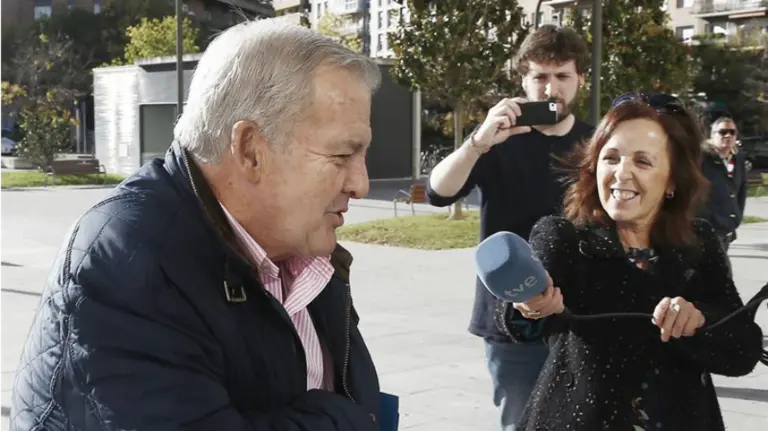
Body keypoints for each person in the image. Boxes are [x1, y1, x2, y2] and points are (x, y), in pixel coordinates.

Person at [10, 20, 384, 430]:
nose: (361, 184)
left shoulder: (301, 247)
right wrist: (347, 421)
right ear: (250, 150)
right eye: (341, 156)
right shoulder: (132, 262)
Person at [512, 93, 764, 430]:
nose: (622, 173)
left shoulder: (699, 242)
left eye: (643, 162)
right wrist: (528, 303)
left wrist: (699, 320)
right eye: (611, 158)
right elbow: (516, 317)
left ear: (672, 180)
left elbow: (743, 351)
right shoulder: (563, 237)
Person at [425, 25, 593, 430]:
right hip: (509, 316)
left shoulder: (597, 145)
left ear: (580, 80)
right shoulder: (497, 140)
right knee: (520, 422)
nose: (550, 88)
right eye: (540, 76)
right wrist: (478, 142)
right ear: (522, 81)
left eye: (562, 76)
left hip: (583, 313)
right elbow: (438, 192)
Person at [699, 117, 747, 267]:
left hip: (727, 228)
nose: (728, 135)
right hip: (708, 229)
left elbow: (741, 191)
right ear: (712, 135)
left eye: (732, 132)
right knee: (720, 272)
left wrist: (737, 216)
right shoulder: (701, 159)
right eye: (723, 132)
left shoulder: (737, 158)